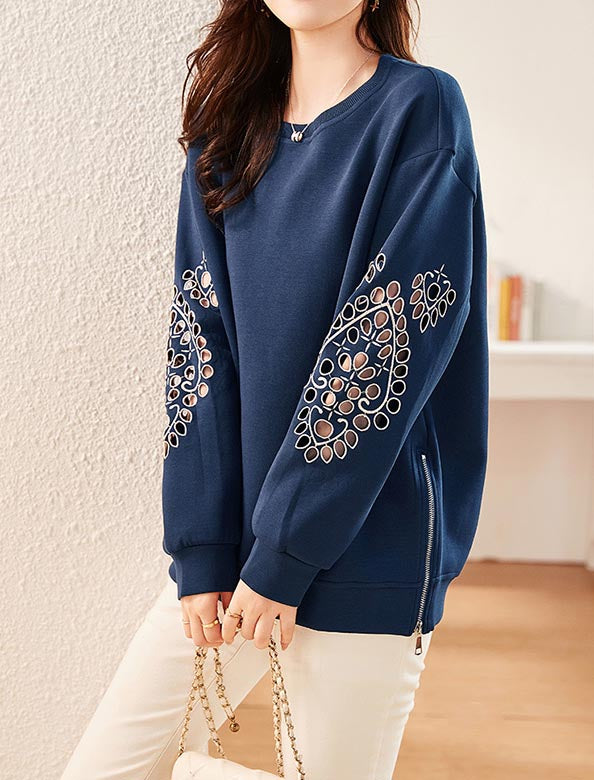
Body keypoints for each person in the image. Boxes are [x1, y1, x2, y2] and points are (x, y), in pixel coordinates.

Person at [61, 1, 488, 778]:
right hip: (232, 568)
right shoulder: (226, 127)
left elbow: (383, 344)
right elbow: (200, 346)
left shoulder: (420, 107)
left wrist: (284, 555)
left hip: (368, 556)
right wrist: (202, 549)